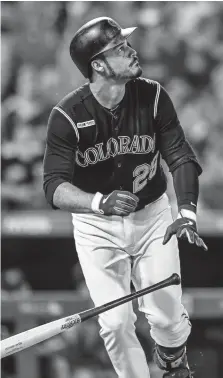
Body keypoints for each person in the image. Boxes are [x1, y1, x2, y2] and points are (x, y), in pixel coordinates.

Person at [43, 17, 208, 378]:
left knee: (166, 317)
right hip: (96, 226)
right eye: (119, 47)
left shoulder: (152, 95)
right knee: (115, 323)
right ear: (97, 65)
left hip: (153, 218)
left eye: (126, 43)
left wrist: (188, 212)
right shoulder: (67, 115)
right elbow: (53, 186)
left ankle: (172, 361)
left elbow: (180, 155)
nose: (131, 50)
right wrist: (98, 202)